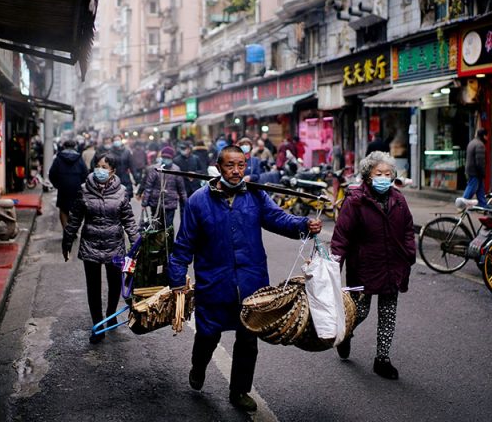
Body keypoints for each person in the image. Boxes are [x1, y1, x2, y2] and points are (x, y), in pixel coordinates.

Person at [168, 145, 322, 411]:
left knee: (248, 340)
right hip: (214, 283)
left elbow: (278, 218)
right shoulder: (198, 201)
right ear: (218, 167)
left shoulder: (255, 195)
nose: (236, 171)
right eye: (230, 165)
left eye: (241, 165)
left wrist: (303, 224)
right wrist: (177, 279)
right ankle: (198, 366)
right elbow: (183, 244)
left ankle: (239, 391)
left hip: (252, 283)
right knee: (207, 335)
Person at [328, 150, 416, 380]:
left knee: (388, 314)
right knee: (360, 311)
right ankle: (346, 334)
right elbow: (341, 237)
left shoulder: (398, 200)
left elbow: (408, 229)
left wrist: (409, 254)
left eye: (388, 173)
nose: (384, 177)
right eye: (379, 173)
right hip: (364, 267)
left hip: (393, 266)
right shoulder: (355, 201)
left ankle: (382, 359)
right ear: (368, 175)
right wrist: (333, 266)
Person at [62, 153, 140, 344]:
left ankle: (110, 315)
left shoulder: (121, 192)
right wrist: (67, 240)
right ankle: (97, 325)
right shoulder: (84, 190)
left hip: (114, 246)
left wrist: (136, 243)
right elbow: (75, 218)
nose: (100, 170)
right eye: (98, 166)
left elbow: (129, 220)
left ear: (113, 171)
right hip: (90, 245)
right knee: (93, 287)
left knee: (115, 285)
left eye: (104, 167)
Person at [142, 146, 188, 229]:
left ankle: (168, 238)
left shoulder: (176, 170)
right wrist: (144, 203)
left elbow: (181, 189)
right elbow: (148, 187)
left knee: (168, 227)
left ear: (172, 158)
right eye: (164, 157)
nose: (166, 159)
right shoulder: (155, 169)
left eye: (168, 158)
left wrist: (186, 203)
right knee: (156, 227)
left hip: (170, 204)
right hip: (156, 203)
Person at [49, 139, 89, 228]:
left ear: (64, 147)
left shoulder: (58, 158)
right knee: (76, 209)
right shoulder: (79, 158)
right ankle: (73, 230)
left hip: (63, 187)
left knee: (63, 209)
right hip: (77, 187)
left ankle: (66, 230)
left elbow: (52, 174)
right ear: (75, 147)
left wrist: (57, 185)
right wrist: (81, 184)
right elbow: (85, 174)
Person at [463, 129, 489, 208]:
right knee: (471, 189)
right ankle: (461, 205)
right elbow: (480, 162)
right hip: (475, 172)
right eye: (486, 136)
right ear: (483, 136)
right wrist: (482, 172)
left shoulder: (472, 142)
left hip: (471, 171)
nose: (487, 138)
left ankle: (484, 206)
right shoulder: (480, 145)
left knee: (480, 191)